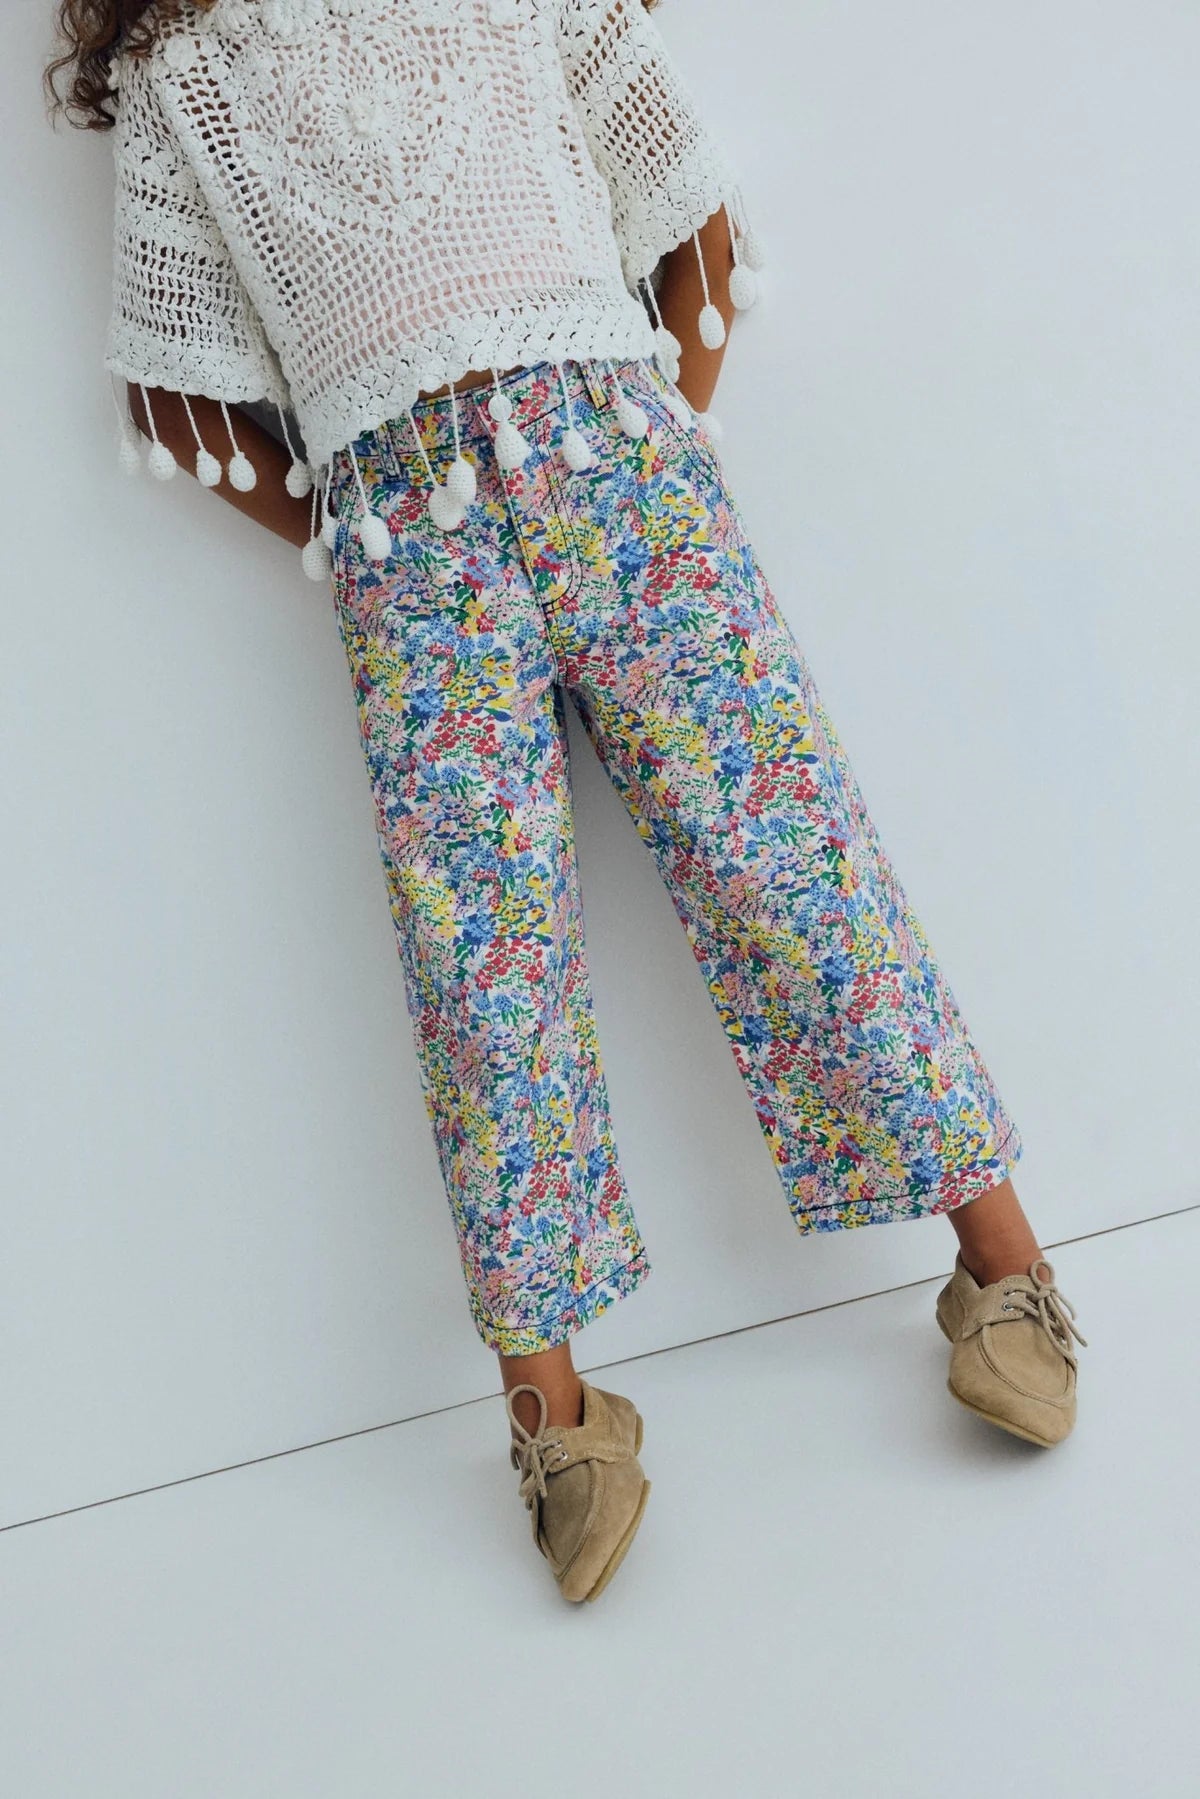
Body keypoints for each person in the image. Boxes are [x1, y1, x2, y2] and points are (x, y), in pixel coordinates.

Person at [48, 0, 1086, 1604]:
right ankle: (554, 1411)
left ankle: (1005, 1271)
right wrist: (365, 544)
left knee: (790, 859)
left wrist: (665, 433)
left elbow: (694, 217)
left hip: (624, 463)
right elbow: (172, 405)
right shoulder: (186, 74)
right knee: (482, 972)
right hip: (410, 552)